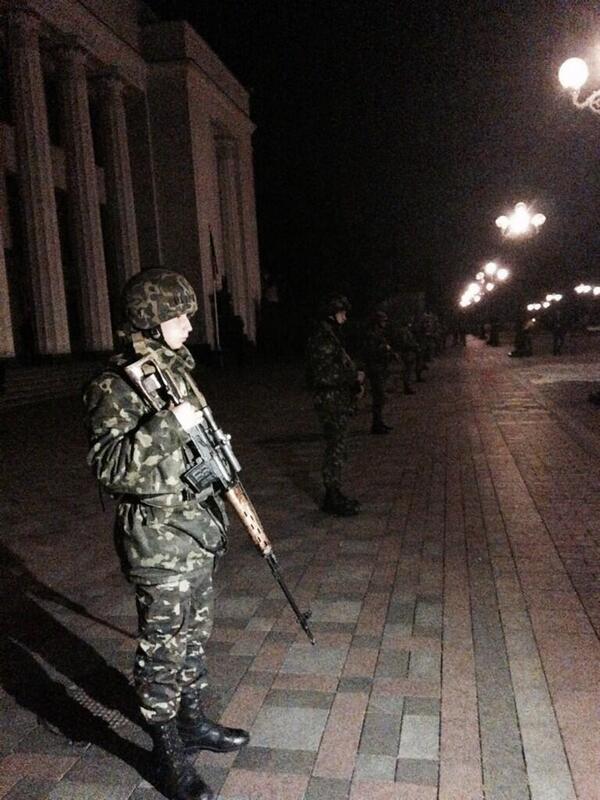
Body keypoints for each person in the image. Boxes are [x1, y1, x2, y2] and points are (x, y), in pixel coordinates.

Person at [83, 269, 249, 800]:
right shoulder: (115, 384)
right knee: (162, 649)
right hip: (158, 539)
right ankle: (167, 753)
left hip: (195, 529)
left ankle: (192, 722)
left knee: (194, 634)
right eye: (178, 316)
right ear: (150, 320)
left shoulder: (173, 370)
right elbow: (110, 467)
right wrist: (170, 423)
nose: (188, 325)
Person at [306, 294, 364, 516]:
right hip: (331, 402)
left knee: (338, 448)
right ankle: (331, 496)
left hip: (337, 401)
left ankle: (335, 492)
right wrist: (352, 377)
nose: (345, 317)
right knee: (335, 448)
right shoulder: (322, 339)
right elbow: (322, 375)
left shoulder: (330, 336)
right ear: (332, 314)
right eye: (342, 313)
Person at [363, 310, 396, 433]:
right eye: (383, 321)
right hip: (375, 368)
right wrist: (384, 349)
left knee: (380, 397)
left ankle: (379, 422)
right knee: (379, 396)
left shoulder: (378, 334)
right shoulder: (371, 335)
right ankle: (376, 424)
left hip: (380, 367)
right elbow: (371, 352)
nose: (385, 323)